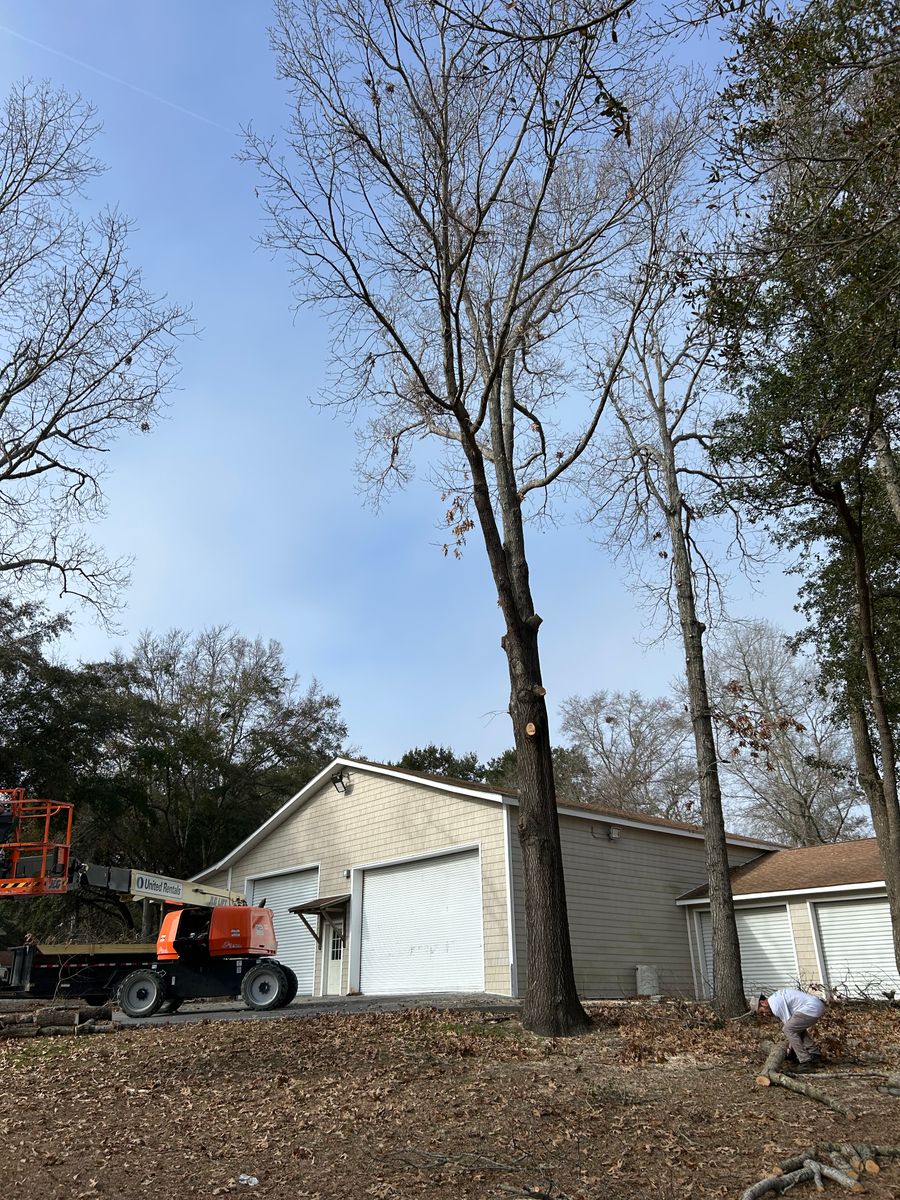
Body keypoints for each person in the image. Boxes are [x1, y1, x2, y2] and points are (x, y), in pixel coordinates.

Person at [753, 988, 827, 1070]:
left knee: (788, 1029)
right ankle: (815, 1056)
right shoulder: (775, 999)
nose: (764, 1015)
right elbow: (794, 1028)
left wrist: (790, 1047)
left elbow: (788, 1028)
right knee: (795, 1028)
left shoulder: (775, 1006)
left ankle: (805, 1061)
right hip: (816, 1005)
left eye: (762, 1012)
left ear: (763, 1003)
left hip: (811, 1008)